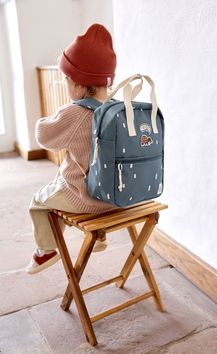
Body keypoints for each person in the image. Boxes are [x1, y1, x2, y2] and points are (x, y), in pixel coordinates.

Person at [26, 24, 117, 275]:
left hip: (87, 199)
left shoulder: (74, 113)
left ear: (78, 84)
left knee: (39, 201)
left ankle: (47, 250)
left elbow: (44, 137)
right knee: (77, 171)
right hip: (119, 198)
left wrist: (47, 117)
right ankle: (100, 236)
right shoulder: (116, 108)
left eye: (65, 79)